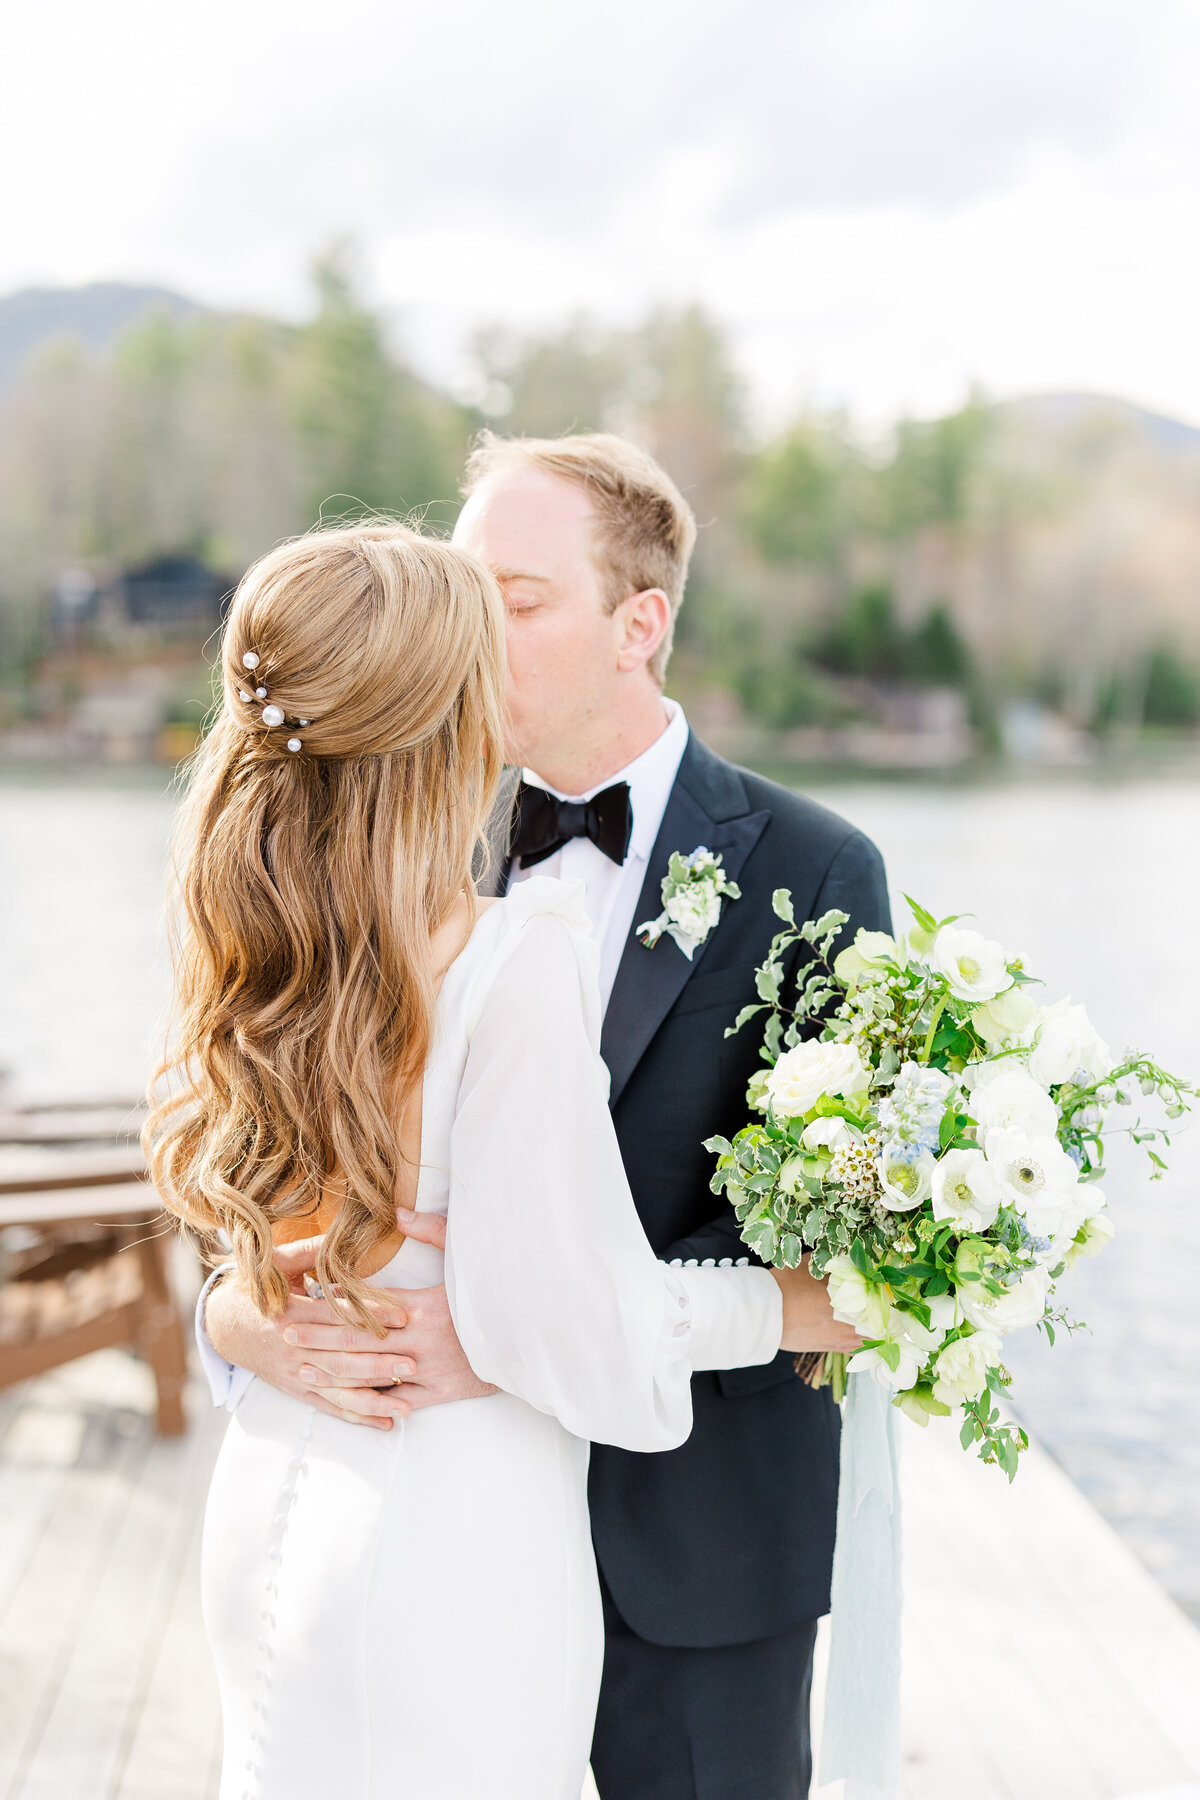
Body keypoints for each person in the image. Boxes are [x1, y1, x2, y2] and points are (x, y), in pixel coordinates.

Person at [198, 436, 891, 1799]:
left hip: (691, 1560)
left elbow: (847, 1238)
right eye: (453, 590)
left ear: (641, 624)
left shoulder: (815, 871)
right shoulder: (378, 831)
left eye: (511, 598)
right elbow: (243, 1183)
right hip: (416, 1508)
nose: (462, 631)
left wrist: (515, 1333)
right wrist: (233, 1318)